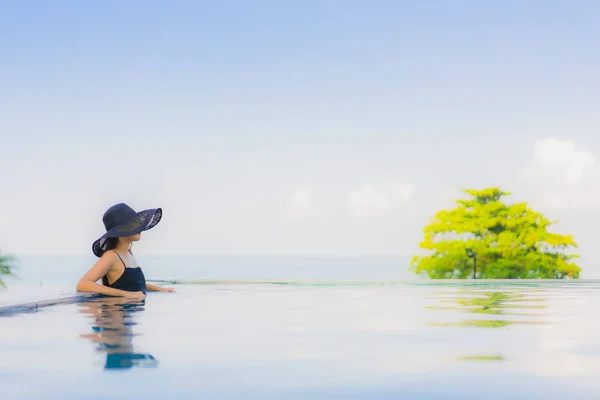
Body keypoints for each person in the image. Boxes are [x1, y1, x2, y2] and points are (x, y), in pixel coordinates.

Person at [76, 203, 174, 298]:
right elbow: (83, 284)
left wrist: (161, 289)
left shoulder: (129, 253)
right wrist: (127, 294)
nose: (139, 225)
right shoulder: (111, 256)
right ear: (121, 229)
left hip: (131, 312)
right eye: (134, 222)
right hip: (117, 311)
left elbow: (136, 284)